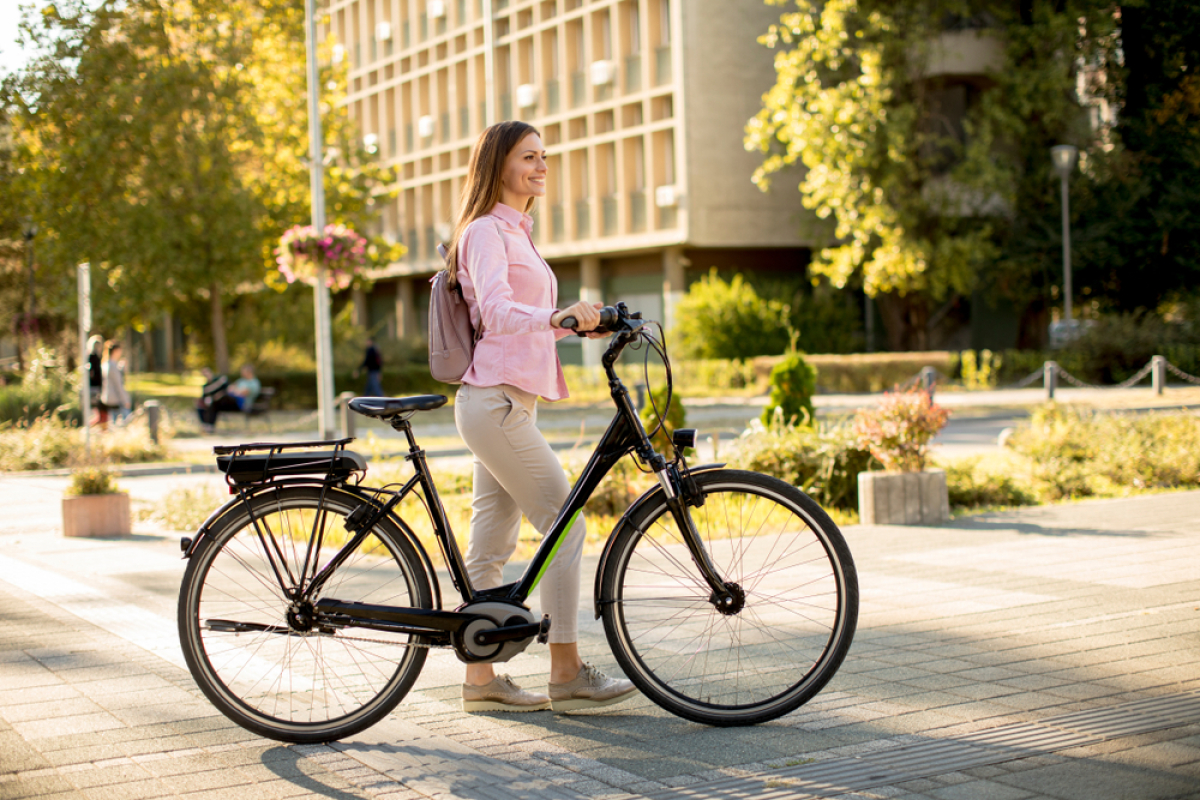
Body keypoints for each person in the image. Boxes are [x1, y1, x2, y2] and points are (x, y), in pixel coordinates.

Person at [448, 120, 636, 714]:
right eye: (528, 156)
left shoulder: (518, 233)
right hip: (494, 402)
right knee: (565, 525)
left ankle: (480, 681)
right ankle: (567, 671)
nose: (541, 165)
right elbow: (502, 313)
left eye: (544, 156)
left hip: (504, 403)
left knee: (492, 542)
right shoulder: (484, 231)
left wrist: (591, 321)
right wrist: (559, 316)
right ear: (499, 164)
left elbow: (527, 312)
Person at [197, 364, 259, 432]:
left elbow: (243, 393)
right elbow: (231, 388)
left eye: (243, 371)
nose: (242, 373)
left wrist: (235, 390)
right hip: (233, 402)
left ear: (249, 372)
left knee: (221, 397)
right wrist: (235, 390)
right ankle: (209, 426)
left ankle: (209, 426)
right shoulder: (241, 380)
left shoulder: (254, 382)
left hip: (242, 404)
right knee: (215, 403)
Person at [99, 340, 130, 426]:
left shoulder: (106, 363)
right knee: (125, 420)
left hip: (108, 397)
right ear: (115, 351)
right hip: (116, 398)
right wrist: (125, 400)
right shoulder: (112, 366)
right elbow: (118, 384)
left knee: (113, 421)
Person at [195, 367, 230, 432]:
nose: (207, 376)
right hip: (211, 402)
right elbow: (204, 395)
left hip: (223, 402)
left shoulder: (218, 379)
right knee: (200, 405)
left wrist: (220, 394)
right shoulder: (205, 385)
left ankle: (210, 425)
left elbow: (227, 389)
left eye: (207, 374)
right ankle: (205, 424)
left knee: (213, 404)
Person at [87, 335, 107, 427]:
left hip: (99, 385)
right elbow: (91, 372)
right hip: (93, 386)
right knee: (95, 408)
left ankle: (98, 424)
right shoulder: (91, 357)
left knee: (99, 409)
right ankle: (92, 424)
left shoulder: (99, 357)